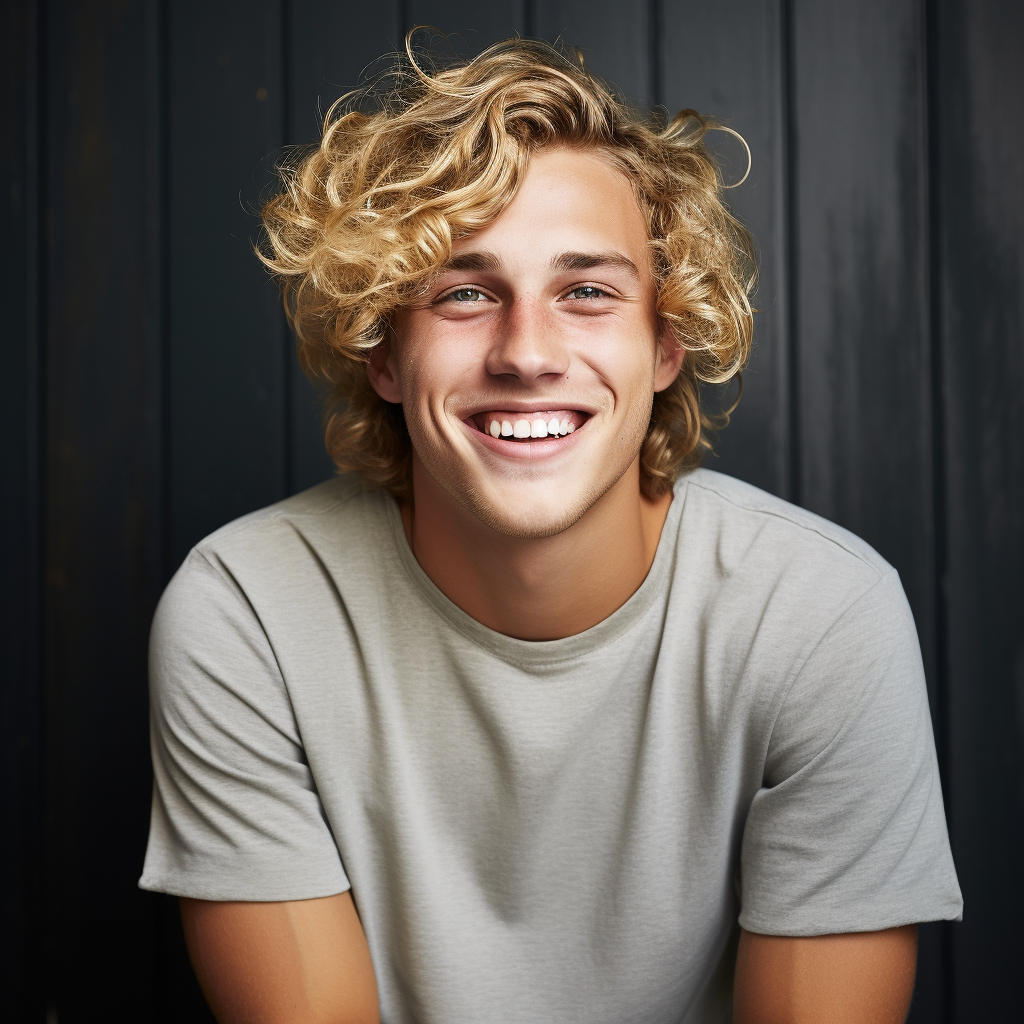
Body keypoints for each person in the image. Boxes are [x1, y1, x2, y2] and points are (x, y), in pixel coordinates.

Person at [139, 36, 962, 1024]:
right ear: (383, 357)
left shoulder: (821, 616)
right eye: (463, 293)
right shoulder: (248, 616)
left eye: (586, 290)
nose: (526, 351)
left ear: (665, 343)